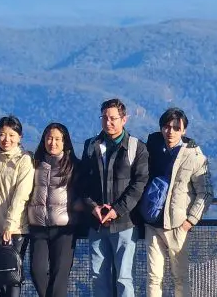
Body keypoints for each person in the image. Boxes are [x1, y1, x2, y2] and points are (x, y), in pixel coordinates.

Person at [80, 98, 149, 297]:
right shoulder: (91, 145)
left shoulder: (137, 147)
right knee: (98, 276)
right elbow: (82, 181)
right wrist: (92, 206)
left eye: (113, 118)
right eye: (104, 118)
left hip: (125, 224)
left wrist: (116, 210)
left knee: (124, 277)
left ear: (124, 119)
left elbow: (139, 184)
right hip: (97, 223)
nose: (108, 122)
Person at [144, 107, 213, 297]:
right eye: (166, 127)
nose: (170, 131)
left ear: (184, 130)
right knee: (153, 277)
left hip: (177, 225)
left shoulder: (194, 156)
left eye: (176, 127)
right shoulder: (152, 148)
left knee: (180, 277)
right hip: (152, 223)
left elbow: (206, 192)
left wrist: (190, 221)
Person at [0, 116, 34, 297]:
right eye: (2, 135)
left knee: (11, 276)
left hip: (14, 229)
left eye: (12, 135)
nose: (6, 139)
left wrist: (9, 225)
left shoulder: (24, 160)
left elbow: (21, 195)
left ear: (20, 137)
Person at [27, 122, 81, 297]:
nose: (53, 143)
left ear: (65, 142)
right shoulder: (34, 164)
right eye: (49, 138)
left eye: (58, 139)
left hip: (64, 229)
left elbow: (83, 192)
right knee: (37, 272)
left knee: (59, 277)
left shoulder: (73, 166)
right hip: (38, 227)